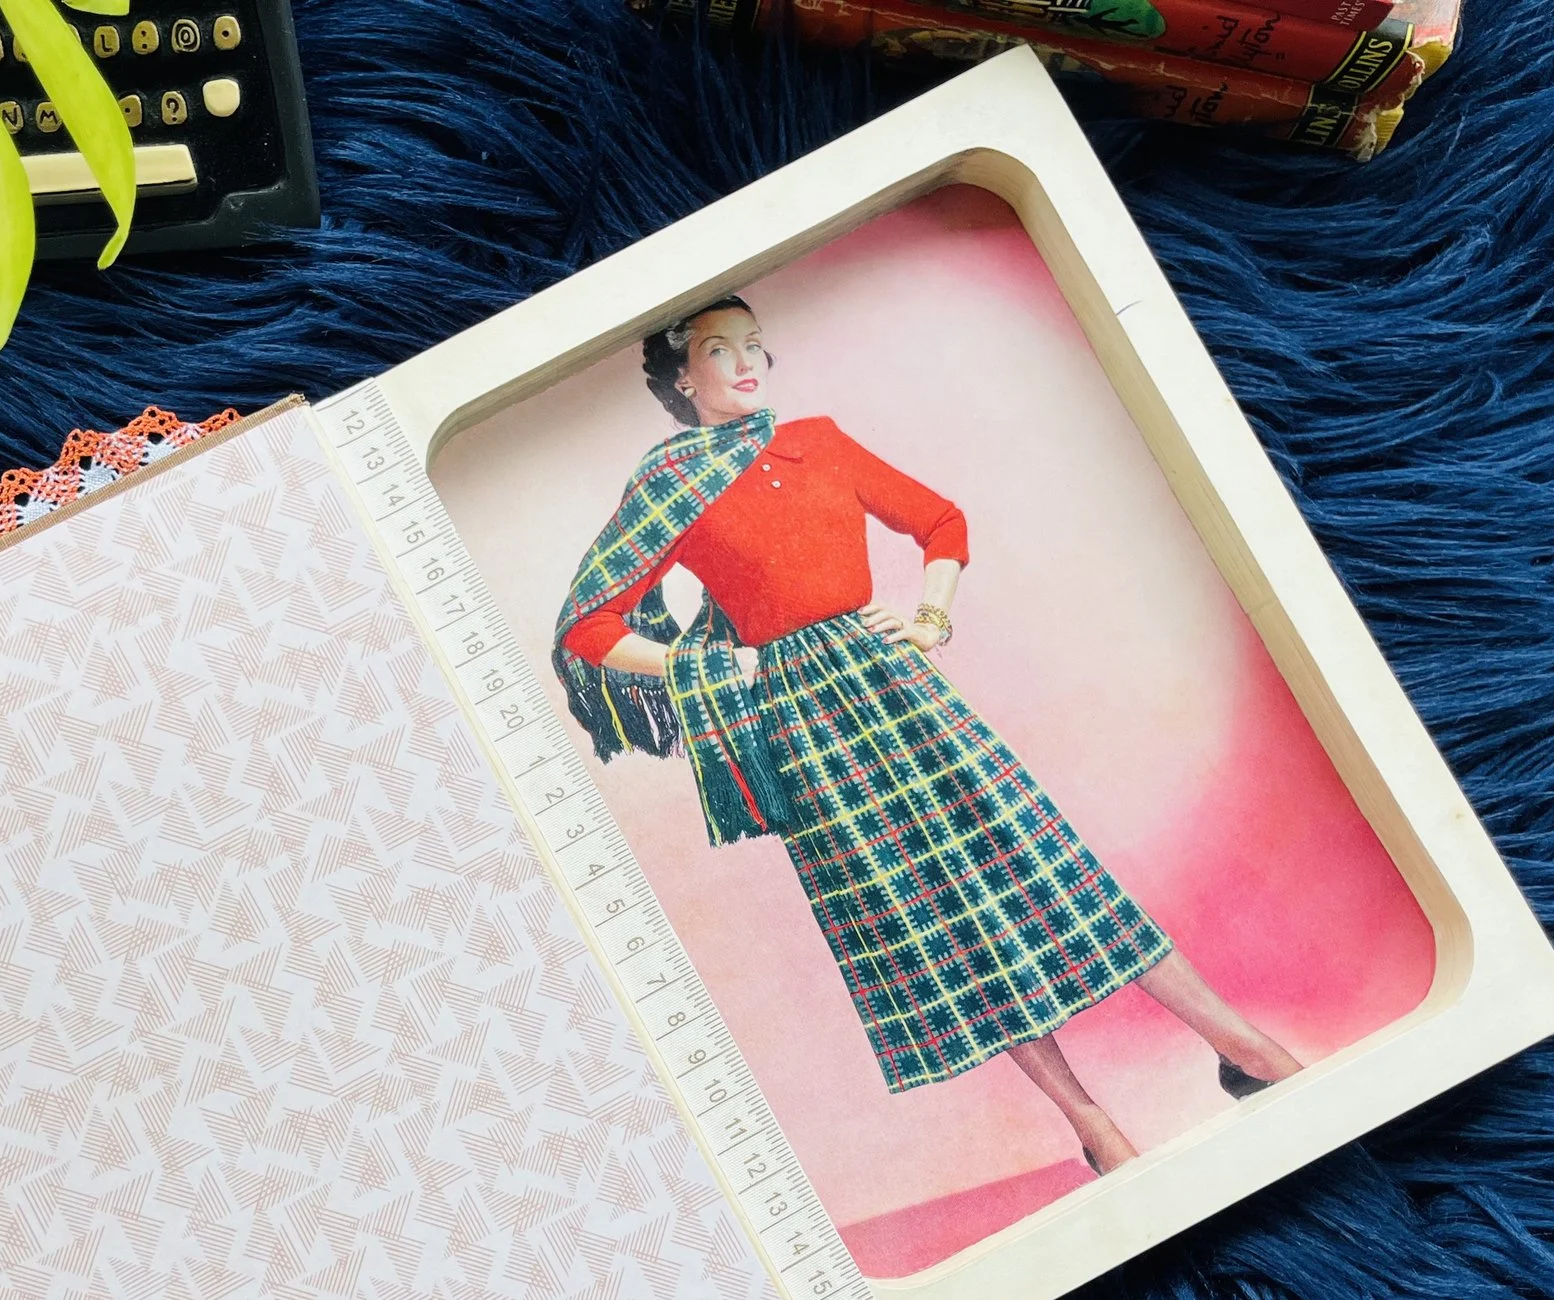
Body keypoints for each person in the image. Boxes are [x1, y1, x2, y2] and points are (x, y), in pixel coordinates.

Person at [553, 298, 1301, 1173]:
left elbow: (940, 521)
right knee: (925, 923)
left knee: (1040, 859)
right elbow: (588, 626)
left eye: (758, 342)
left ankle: (1240, 1045)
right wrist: (724, 669)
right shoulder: (668, 483)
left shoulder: (820, 441)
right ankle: (1091, 1124)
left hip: (898, 685)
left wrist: (930, 616)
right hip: (798, 723)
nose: (751, 361)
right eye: (724, 350)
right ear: (685, 377)